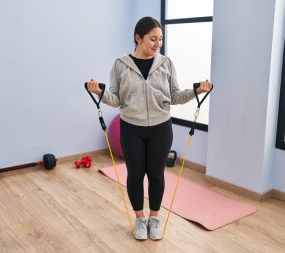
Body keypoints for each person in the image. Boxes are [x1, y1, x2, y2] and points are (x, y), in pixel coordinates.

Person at [86, 16, 212, 240]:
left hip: (161, 128)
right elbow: (115, 100)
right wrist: (99, 93)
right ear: (138, 38)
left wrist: (196, 91)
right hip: (131, 128)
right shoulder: (120, 64)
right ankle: (139, 219)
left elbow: (174, 96)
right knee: (135, 175)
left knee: (156, 175)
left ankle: (154, 218)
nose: (157, 44)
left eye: (160, 39)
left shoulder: (166, 63)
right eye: (153, 39)